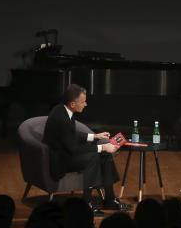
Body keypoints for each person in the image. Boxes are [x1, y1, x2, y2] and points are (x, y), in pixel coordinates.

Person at [42, 83, 132, 216]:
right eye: (83, 102)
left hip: (67, 151)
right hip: (61, 159)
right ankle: (87, 203)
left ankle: (110, 200)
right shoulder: (61, 118)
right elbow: (73, 149)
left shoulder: (63, 109)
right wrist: (102, 147)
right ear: (73, 104)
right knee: (94, 156)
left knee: (105, 154)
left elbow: (71, 134)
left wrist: (94, 136)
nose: (86, 104)